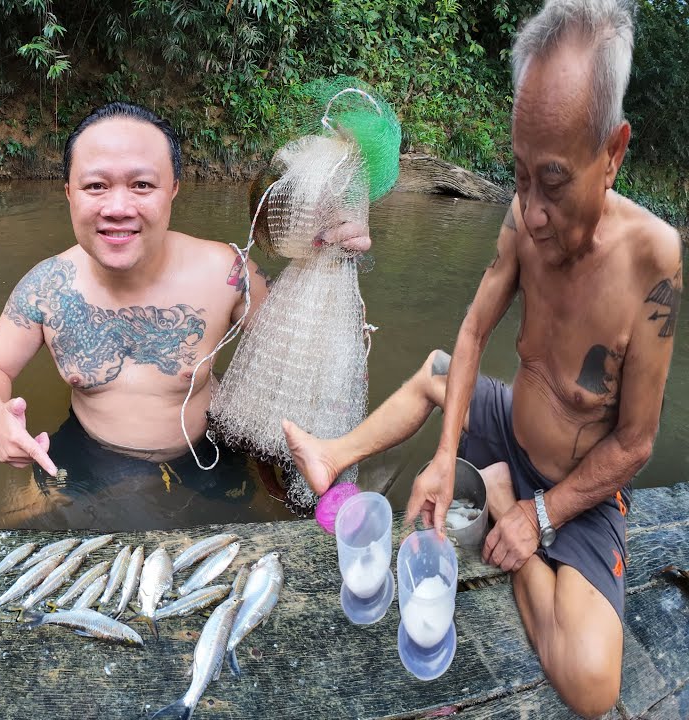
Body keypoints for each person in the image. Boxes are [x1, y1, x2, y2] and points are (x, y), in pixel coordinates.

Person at [282, 1, 680, 715]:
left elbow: (636, 444)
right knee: (436, 369)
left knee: (593, 689)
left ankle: (498, 497)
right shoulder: (523, 216)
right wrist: (442, 457)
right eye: (518, 175)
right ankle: (334, 455)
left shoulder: (655, 264)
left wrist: (537, 516)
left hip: (578, 485)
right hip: (512, 425)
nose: (529, 211)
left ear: (614, 151)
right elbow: (469, 336)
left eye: (552, 181)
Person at [0, 102, 370, 529]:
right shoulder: (48, 286)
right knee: (27, 525)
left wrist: (329, 259)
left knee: (260, 526)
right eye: (96, 186)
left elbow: (301, 349)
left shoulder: (226, 272)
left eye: (142, 185)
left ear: (173, 188)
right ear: (68, 191)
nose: (117, 207)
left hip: (208, 444)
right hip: (92, 449)